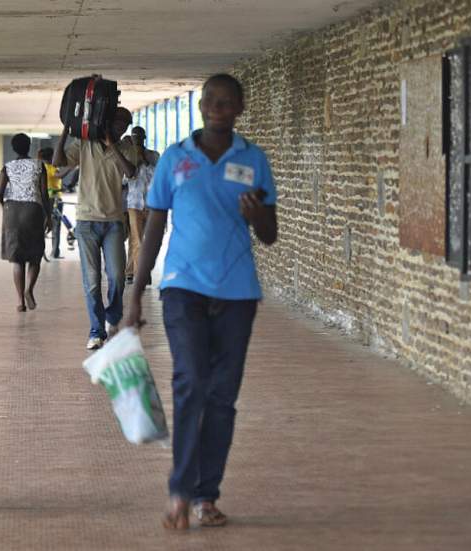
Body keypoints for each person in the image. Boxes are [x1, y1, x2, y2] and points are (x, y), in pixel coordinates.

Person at [122, 74, 278, 530]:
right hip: (183, 286)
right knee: (191, 383)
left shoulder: (253, 159)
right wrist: (135, 293)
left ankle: (207, 495)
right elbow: (153, 226)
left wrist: (257, 214)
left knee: (222, 398)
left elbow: (270, 235)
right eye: (211, 101)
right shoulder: (175, 159)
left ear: (240, 109)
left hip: (237, 293)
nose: (218, 108)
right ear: (201, 106)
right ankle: (179, 491)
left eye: (228, 103)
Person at [53, 107, 138, 350]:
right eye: (119, 122)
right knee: (91, 281)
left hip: (113, 222)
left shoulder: (127, 148)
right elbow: (58, 162)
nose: (122, 127)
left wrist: (113, 145)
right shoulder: (85, 144)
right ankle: (96, 331)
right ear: (108, 121)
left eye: (126, 124)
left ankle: (112, 315)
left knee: (118, 277)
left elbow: (130, 172)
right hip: (86, 222)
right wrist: (64, 132)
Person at [0, 134, 50, 311]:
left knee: (17, 259)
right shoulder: (39, 165)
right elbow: (44, 194)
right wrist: (48, 216)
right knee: (35, 256)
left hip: (12, 211)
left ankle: (20, 301)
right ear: (29, 147)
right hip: (33, 210)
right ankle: (29, 290)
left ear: (13, 148)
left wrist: (5, 206)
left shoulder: (7, 167)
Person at [123, 126, 160, 283]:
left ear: (144, 138)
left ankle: (129, 272)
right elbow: (124, 180)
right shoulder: (128, 156)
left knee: (136, 239)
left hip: (150, 204)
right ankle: (141, 274)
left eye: (139, 137)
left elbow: (157, 177)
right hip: (134, 204)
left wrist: (144, 161)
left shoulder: (153, 155)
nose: (137, 140)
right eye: (134, 137)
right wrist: (134, 165)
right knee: (138, 239)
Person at [37, 147, 64, 259]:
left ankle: (40, 250)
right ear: (52, 156)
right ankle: (55, 251)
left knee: (42, 226)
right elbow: (60, 175)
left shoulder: (39, 168)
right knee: (56, 226)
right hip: (55, 199)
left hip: (44, 200)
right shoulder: (52, 168)